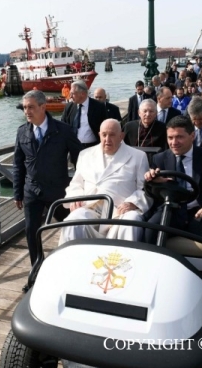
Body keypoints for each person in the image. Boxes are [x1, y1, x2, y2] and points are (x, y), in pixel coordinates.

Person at [144, 116, 202, 293]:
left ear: (192, 136)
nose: (174, 142)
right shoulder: (160, 159)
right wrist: (152, 182)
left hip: (199, 213)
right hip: (172, 212)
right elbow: (151, 195)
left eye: (179, 137)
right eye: (170, 138)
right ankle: (151, 284)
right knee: (150, 228)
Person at [13, 90, 82, 265]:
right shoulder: (22, 132)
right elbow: (18, 164)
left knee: (70, 227)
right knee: (31, 231)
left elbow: (80, 161)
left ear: (43, 107)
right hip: (32, 191)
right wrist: (17, 193)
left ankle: (74, 263)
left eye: (31, 107)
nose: (27, 111)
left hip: (58, 190)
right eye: (24, 108)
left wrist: (80, 189)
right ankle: (36, 269)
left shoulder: (63, 131)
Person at [59, 119, 152, 243]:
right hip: (90, 208)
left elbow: (144, 189)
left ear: (121, 136)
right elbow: (76, 183)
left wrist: (133, 203)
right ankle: (74, 260)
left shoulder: (138, 156)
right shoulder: (85, 154)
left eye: (112, 135)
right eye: (104, 135)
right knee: (74, 220)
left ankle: (125, 260)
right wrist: (75, 198)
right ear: (99, 135)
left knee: (132, 221)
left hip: (120, 211)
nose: (107, 139)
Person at [62, 80, 108, 148]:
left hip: (93, 147)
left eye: (73, 94)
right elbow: (63, 126)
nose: (70, 96)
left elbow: (105, 127)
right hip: (74, 147)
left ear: (82, 94)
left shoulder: (99, 107)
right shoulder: (69, 107)